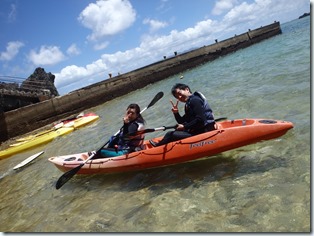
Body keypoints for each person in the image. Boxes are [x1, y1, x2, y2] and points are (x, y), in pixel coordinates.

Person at [149, 83, 215, 147]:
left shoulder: (195, 101)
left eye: (179, 93)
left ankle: (158, 147)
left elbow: (200, 119)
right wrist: (176, 113)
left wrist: (184, 127)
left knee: (170, 134)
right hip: (198, 130)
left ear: (187, 89)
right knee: (177, 131)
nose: (179, 97)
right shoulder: (189, 103)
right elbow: (182, 121)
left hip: (204, 131)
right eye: (177, 97)